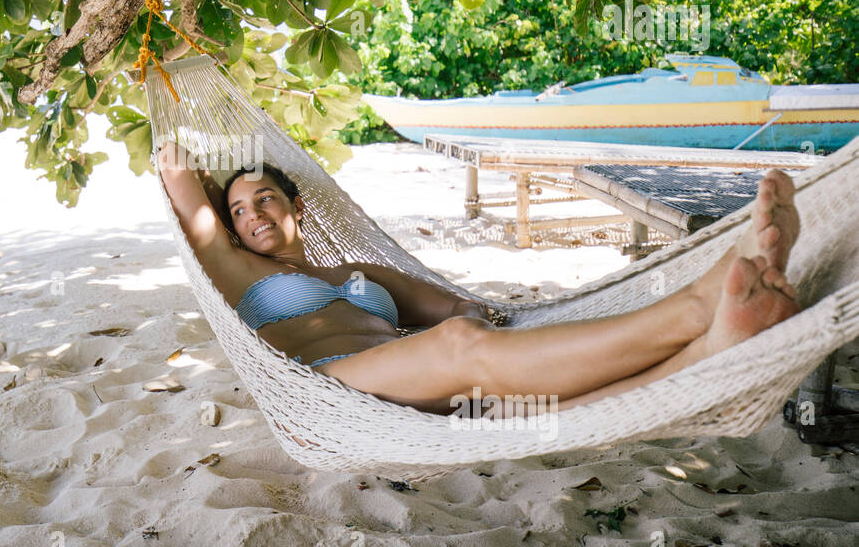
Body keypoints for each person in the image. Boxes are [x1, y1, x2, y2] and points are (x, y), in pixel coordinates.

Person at [156, 140, 802, 415]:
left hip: (424, 380)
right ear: (232, 231)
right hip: (330, 393)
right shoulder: (237, 272)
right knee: (464, 357)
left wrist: (483, 326)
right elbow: (182, 185)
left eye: (266, 197)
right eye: (238, 211)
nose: (253, 214)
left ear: (297, 208)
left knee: (522, 408)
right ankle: (697, 303)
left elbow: (461, 310)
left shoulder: (361, 271)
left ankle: (710, 346)